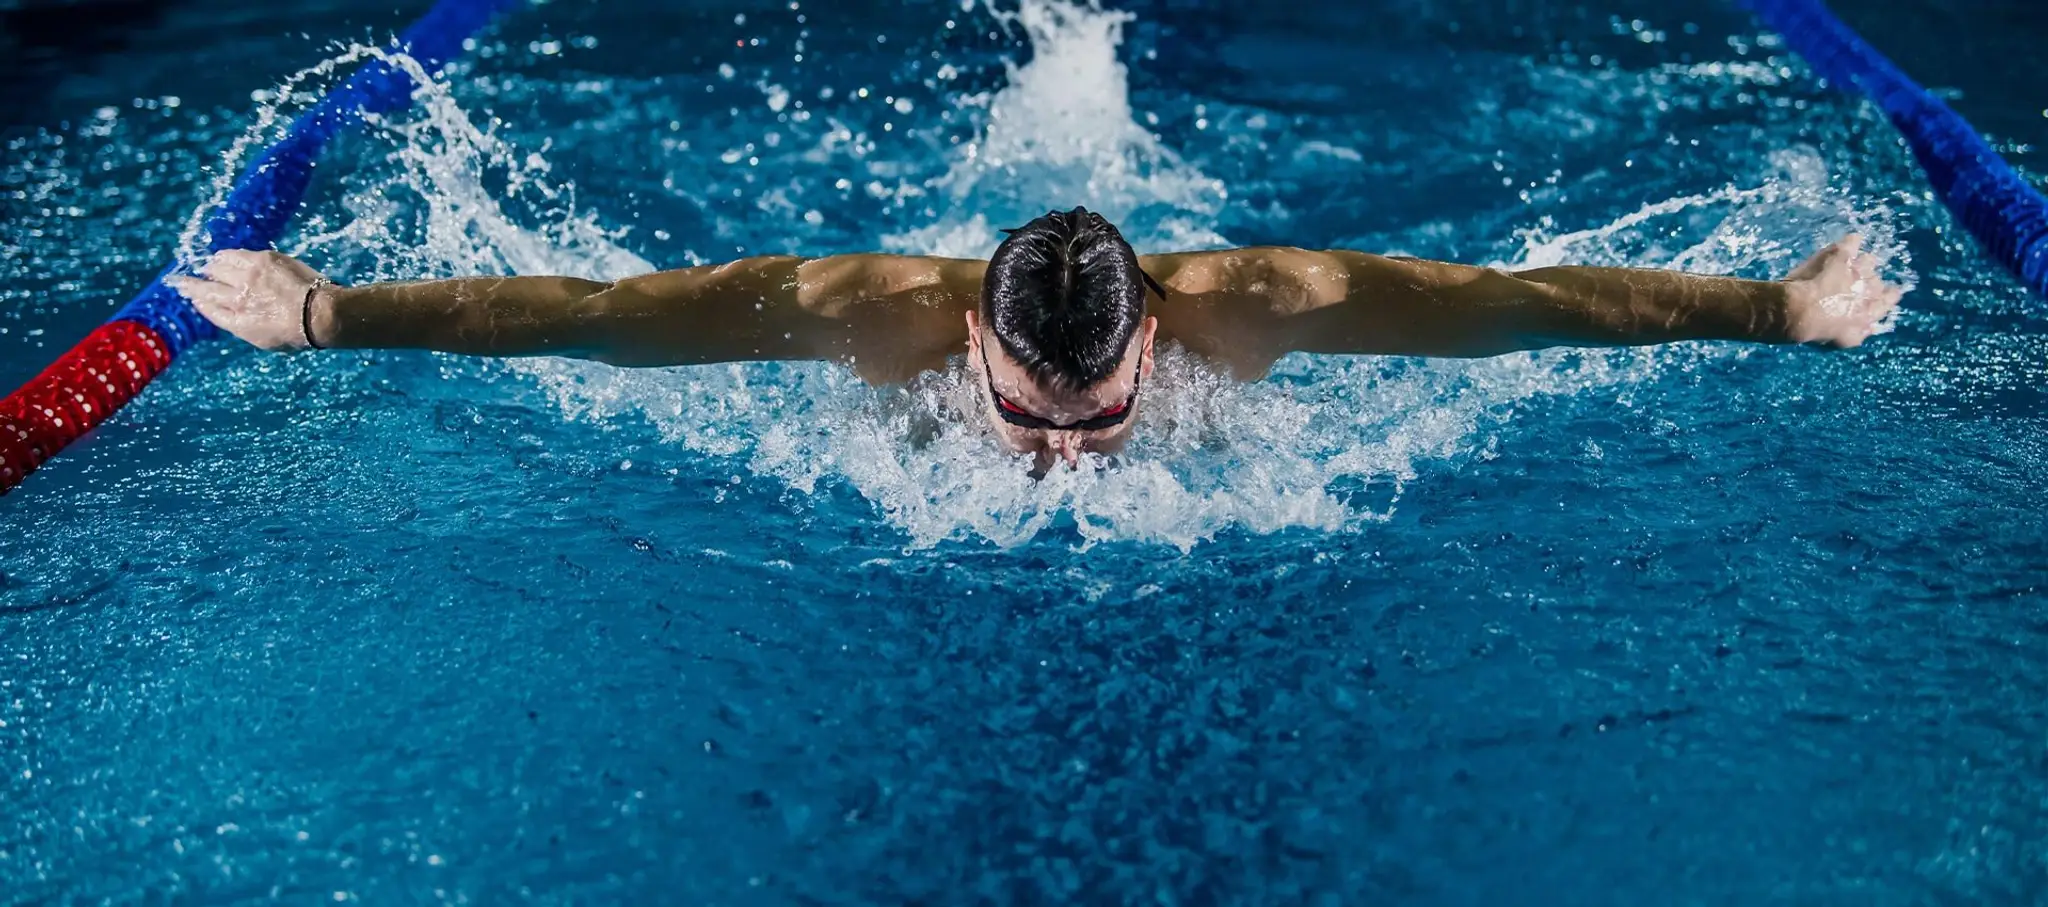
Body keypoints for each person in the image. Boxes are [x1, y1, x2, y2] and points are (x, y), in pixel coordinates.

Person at [171, 207, 1903, 471]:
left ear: (1159, 327)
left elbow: (1529, 309)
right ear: (969, 343)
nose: (1058, 458)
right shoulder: (862, 319)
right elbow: (603, 321)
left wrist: (1779, 309)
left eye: (1095, 419)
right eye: (1027, 412)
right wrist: (324, 313)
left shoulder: (1270, 304)